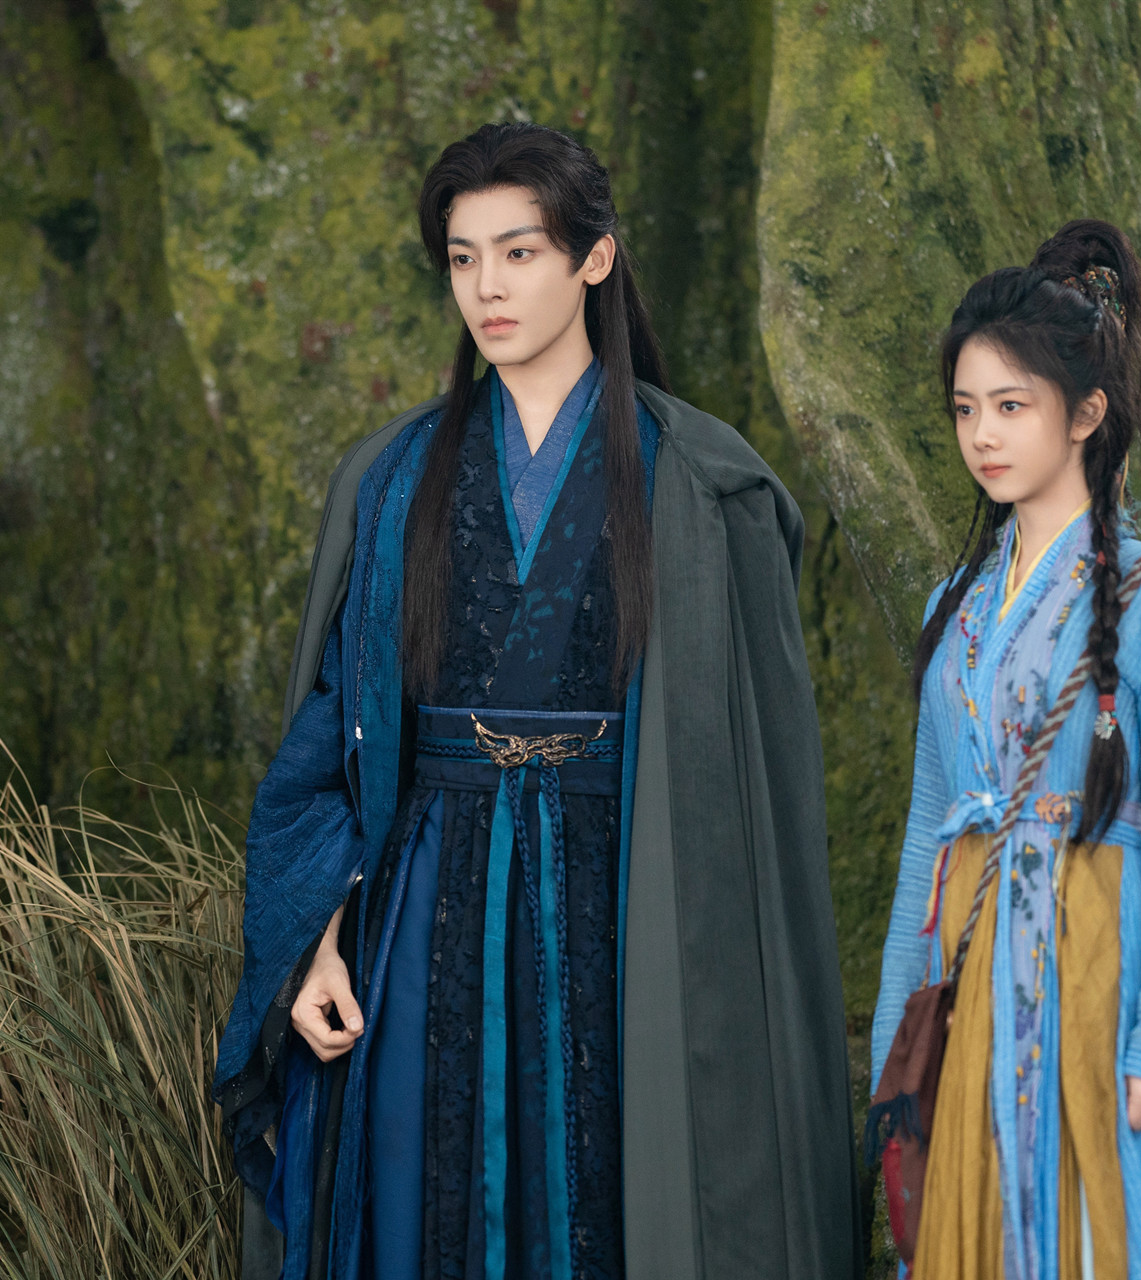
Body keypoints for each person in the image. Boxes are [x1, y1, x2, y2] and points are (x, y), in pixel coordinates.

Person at [213, 122, 857, 1280]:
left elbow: (753, 786)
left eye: (519, 253)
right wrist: (314, 940)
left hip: (628, 897)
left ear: (594, 258)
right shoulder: (391, 479)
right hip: (425, 897)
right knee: (424, 1192)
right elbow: (332, 730)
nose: (489, 288)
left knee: (616, 1190)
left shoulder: (704, 484)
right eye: (464, 259)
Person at [869, 221, 1141, 1279]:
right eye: (965, 409)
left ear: (1086, 413)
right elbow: (928, 835)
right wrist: (895, 1046)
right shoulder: (953, 607)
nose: (982, 435)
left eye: (1010, 406)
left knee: (1107, 1234)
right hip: (971, 984)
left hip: (1100, 979)